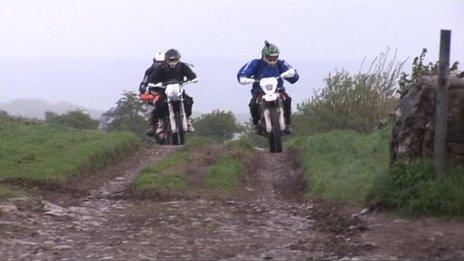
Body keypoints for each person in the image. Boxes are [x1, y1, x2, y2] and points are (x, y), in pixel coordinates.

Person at [237, 41, 299, 134]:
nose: (272, 60)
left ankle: (288, 124)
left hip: (278, 90)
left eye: (275, 58)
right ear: (263, 56)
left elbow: (293, 73)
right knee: (253, 104)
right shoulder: (255, 63)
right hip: (259, 91)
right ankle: (256, 124)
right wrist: (243, 78)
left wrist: (292, 74)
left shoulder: (281, 63)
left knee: (288, 100)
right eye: (270, 58)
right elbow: (243, 73)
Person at [146, 48, 198, 133]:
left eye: (174, 59)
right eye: (170, 60)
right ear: (166, 59)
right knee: (159, 103)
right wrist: (152, 83)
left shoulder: (182, 66)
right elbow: (153, 78)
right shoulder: (161, 67)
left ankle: (188, 120)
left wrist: (193, 79)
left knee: (189, 101)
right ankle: (161, 122)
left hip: (179, 90)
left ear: (178, 58)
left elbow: (191, 75)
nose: (172, 61)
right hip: (165, 90)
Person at [139, 51, 165, 136]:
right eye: (158, 62)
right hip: (154, 92)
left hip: (167, 91)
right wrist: (142, 89)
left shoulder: (169, 70)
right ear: (154, 61)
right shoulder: (149, 71)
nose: (159, 64)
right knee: (156, 108)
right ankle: (152, 126)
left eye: (162, 62)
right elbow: (144, 81)